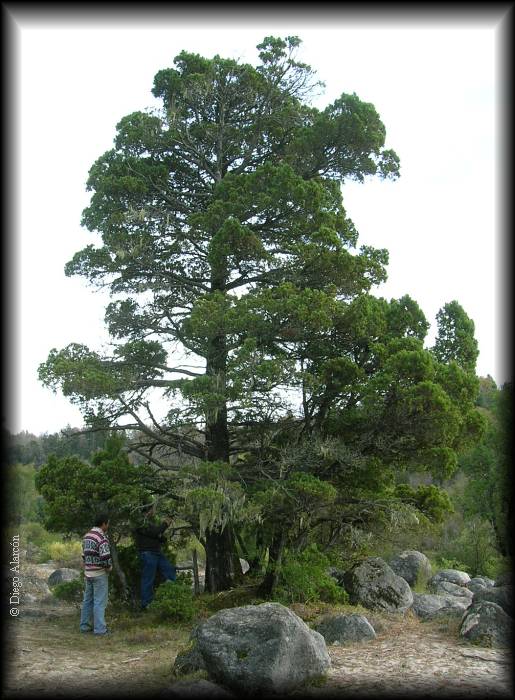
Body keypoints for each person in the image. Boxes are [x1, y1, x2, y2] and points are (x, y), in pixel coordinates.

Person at [133, 506, 176, 610]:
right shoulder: (141, 522)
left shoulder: (149, 522)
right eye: (152, 509)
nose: (154, 511)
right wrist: (166, 523)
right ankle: (146, 604)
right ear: (148, 510)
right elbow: (155, 532)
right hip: (148, 554)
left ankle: (172, 595)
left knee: (169, 570)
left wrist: (162, 536)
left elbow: (157, 535)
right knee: (148, 578)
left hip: (157, 552)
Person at [79, 512, 112, 635]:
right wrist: (109, 567)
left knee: (87, 600)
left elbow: (84, 555)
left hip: (88, 573)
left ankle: (84, 626)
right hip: (99, 574)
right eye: (108, 523)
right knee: (99, 602)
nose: (108, 526)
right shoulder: (101, 537)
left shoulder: (86, 536)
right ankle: (100, 630)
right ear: (103, 523)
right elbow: (105, 557)